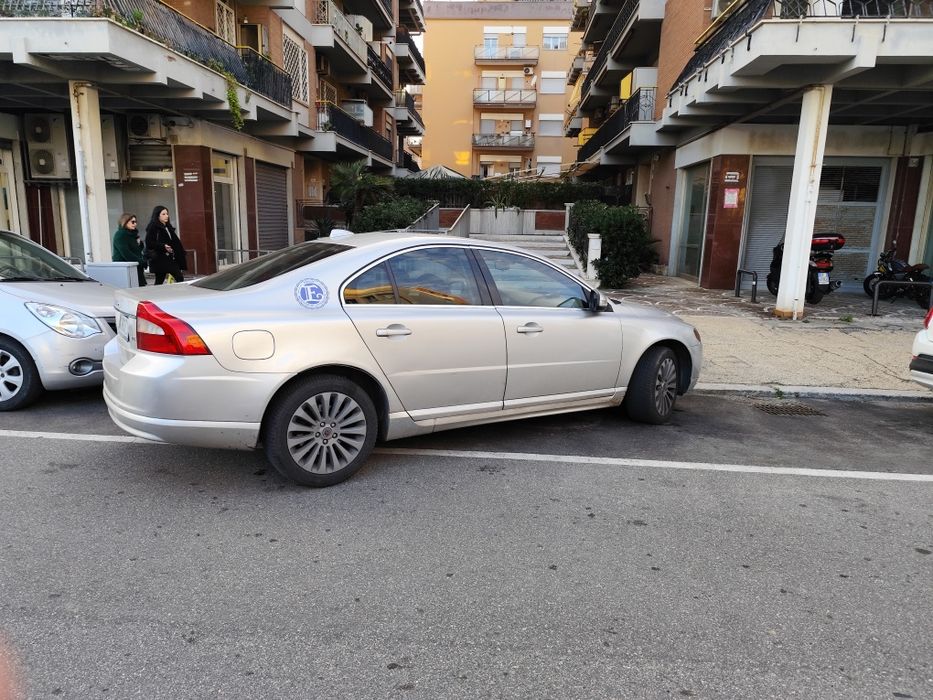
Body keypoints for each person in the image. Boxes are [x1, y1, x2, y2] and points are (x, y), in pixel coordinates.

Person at [144, 205, 187, 285]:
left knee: (159, 280)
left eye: (167, 213)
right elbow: (149, 242)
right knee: (179, 277)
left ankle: (158, 295)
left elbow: (174, 242)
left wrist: (179, 251)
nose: (166, 216)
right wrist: (163, 246)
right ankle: (181, 293)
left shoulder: (167, 227)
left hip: (168, 258)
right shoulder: (153, 226)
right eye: (163, 214)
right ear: (157, 215)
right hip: (160, 258)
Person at [111, 212, 147, 287]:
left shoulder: (133, 234)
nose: (135, 224)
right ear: (125, 222)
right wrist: (141, 262)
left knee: (140, 288)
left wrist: (140, 244)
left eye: (136, 222)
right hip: (125, 268)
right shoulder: (120, 234)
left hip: (135, 266)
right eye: (132, 222)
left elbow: (137, 250)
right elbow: (126, 253)